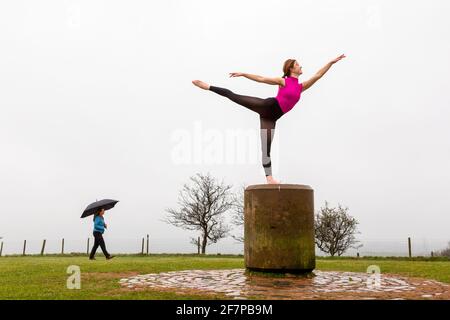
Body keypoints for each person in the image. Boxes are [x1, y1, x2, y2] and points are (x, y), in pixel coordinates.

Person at [192, 54, 346, 184]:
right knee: (234, 96)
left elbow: (318, 75)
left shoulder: (301, 86)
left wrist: (331, 63)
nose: (301, 66)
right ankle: (207, 86)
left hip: (272, 117)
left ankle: (269, 178)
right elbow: (261, 78)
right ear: (291, 69)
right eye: (298, 65)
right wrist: (244, 74)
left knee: (266, 148)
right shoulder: (283, 81)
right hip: (268, 106)